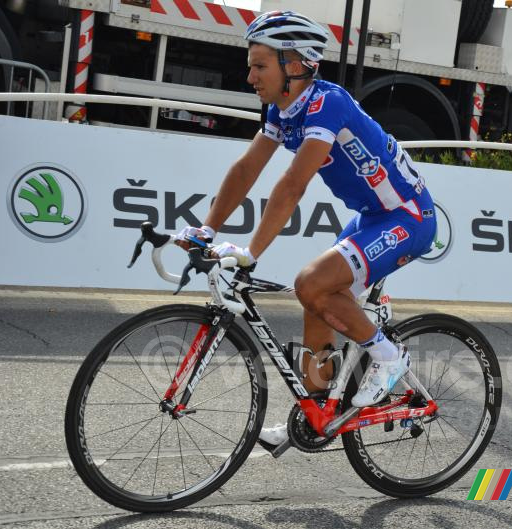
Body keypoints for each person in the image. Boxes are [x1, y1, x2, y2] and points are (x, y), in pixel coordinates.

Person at [175, 11, 436, 451]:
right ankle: (319, 413)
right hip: (375, 215)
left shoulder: (326, 104)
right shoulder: (284, 110)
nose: (250, 76)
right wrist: (207, 228)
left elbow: (293, 184)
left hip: (407, 216)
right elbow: (247, 169)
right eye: (251, 65)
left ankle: (390, 358)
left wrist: (250, 252)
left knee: (310, 282)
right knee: (316, 300)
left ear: (294, 65)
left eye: (260, 65)